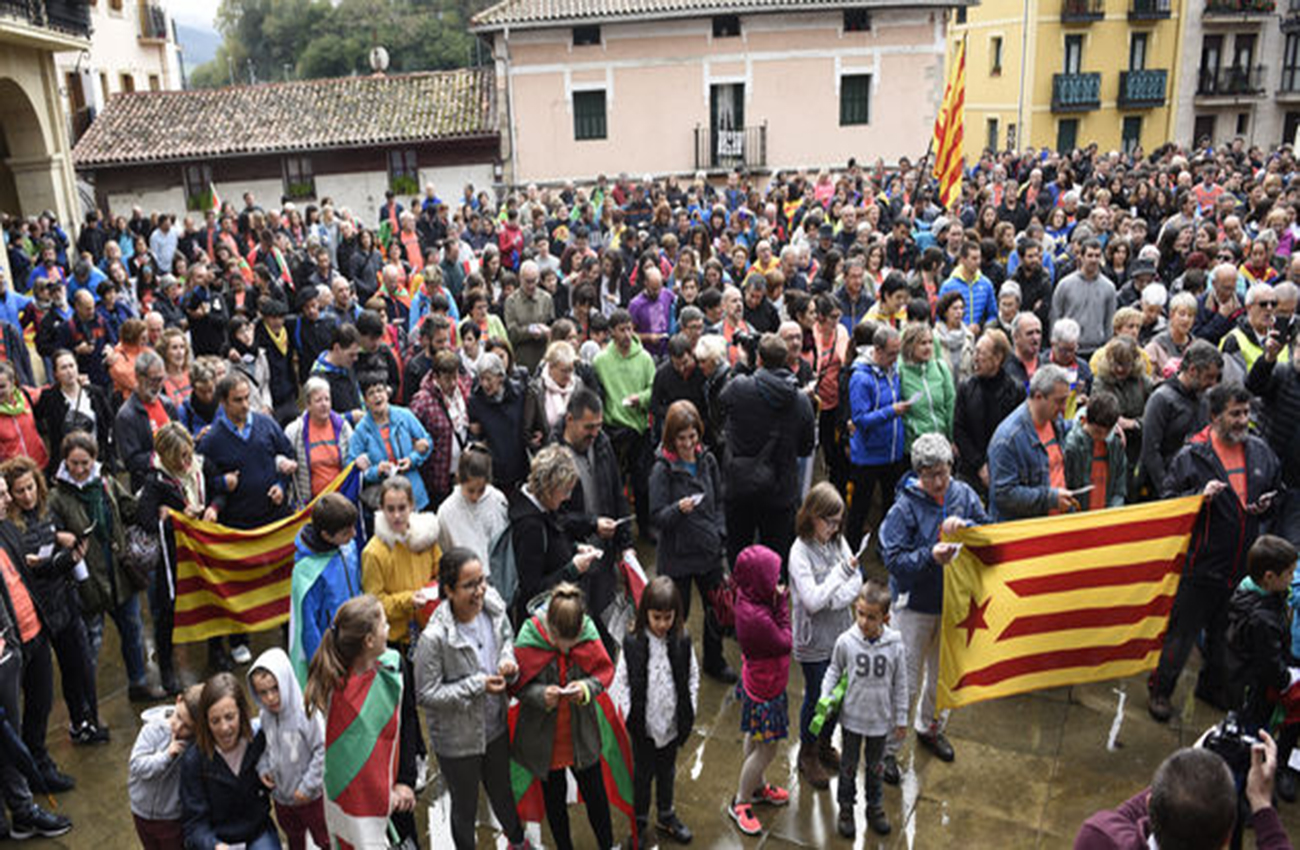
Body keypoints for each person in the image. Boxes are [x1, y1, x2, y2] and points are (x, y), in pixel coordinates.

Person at [1150, 382, 1282, 721]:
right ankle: (1161, 691)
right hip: (1199, 568)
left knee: (1224, 640)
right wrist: (1197, 497)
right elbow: (1167, 505)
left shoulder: (1260, 452)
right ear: (1213, 416)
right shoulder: (1191, 456)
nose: (1243, 420)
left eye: (1246, 412)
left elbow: (1275, 491)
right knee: (1180, 639)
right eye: (1235, 413)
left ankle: (1211, 689)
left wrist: (1268, 504)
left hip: (1239, 570)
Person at [413, 547, 527, 850]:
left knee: (503, 791)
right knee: (464, 807)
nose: (480, 591)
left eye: (482, 580)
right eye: (469, 585)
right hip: (458, 742)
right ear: (448, 590)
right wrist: (476, 685)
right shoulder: (434, 638)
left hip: (496, 728)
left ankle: (518, 841)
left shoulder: (494, 607)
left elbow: (506, 640)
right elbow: (425, 694)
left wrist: (507, 661)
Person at [49, 431, 160, 700]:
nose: (79, 469)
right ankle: (87, 700)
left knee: (132, 632)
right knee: (90, 644)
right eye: (73, 463)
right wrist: (57, 536)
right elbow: (45, 532)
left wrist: (155, 503)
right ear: (65, 462)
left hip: (120, 573)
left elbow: (130, 509)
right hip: (87, 581)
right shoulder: (56, 497)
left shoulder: (106, 482)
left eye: (85, 462)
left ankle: (138, 682)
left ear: (94, 459)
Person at [1, 458, 104, 744]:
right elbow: (31, 568)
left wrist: (64, 544)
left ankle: (86, 721)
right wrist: (65, 560)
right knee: (39, 693)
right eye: (19, 491)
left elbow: (49, 545)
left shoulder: (45, 511)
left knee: (79, 668)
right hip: (40, 612)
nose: (27, 496)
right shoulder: (11, 527)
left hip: (64, 599)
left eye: (30, 487)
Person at [304, 595, 419, 848]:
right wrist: (381, 796)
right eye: (385, 625)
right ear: (369, 640)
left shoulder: (395, 668)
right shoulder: (335, 693)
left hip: (398, 795)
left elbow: (409, 722)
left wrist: (406, 781)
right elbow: (343, 767)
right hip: (360, 806)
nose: (389, 629)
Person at [509, 582, 617, 850]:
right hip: (545, 741)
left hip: (581, 735)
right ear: (549, 628)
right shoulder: (528, 635)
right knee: (554, 801)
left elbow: (604, 673)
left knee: (597, 796)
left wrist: (585, 688)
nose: (568, 649)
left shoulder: (589, 633)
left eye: (574, 643)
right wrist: (540, 694)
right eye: (561, 643)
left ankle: (607, 844)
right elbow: (517, 683)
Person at [1074, 732, 1292, 849]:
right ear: (1227, 838)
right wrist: (1262, 803)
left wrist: (1188, 760)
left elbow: (1121, 817)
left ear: (1150, 805)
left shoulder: (1097, 838)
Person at [647, 399, 733, 682]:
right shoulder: (662, 469)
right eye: (681, 438)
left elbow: (719, 500)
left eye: (692, 436)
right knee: (675, 617)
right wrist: (677, 510)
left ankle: (714, 660)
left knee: (716, 611)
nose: (687, 444)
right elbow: (656, 515)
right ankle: (676, 666)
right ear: (671, 437)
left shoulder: (707, 459)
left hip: (708, 550)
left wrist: (720, 531)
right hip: (677, 556)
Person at [609, 575, 698, 847]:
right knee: (642, 776)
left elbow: (692, 676)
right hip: (642, 726)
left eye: (667, 617)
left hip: (670, 724)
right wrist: (626, 714)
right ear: (645, 612)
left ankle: (666, 814)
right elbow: (620, 679)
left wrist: (689, 708)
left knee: (667, 772)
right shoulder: (633, 643)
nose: (662, 624)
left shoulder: (682, 641)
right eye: (656, 617)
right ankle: (639, 822)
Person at [788, 482, 862, 790]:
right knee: (818, 695)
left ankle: (824, 743)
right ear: (811, 516)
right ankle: (807, 752)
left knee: (839, 694)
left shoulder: (838, 542)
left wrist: (835, 595)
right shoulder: (799, 552)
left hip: (840, 634)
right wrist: (837, 579)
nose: (833, 528)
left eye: (837, 521)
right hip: (813, 640)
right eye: (828, 521)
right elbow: (812, 601)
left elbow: (857, 580)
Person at [720, 332, 816, 567]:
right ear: (785, 361)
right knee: (777, 559)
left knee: (739, 553)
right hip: (781, 492)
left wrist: (741, 366)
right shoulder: (801, 401)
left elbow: (718, 405)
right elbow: (805, 448)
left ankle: (741, 600)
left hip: (741, 488)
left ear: (759, 360)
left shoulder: (740, 387)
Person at [821, 581, 907, 839]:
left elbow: (900, 684)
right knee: (848, 766)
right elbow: (834, 669)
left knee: (875, 767)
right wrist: (825, 696)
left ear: (885, 617)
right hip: (852, 720)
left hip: (880, 722)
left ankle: (875, 807)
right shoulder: (846, 641)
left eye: (871, 617)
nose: (864, 622)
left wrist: (901, 718)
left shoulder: (895, 646)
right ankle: (846, 808)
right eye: (860, 614)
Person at [135, 423, 209, 695]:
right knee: (167, 615)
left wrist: (212, 508)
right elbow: (145, 521)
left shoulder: (198, 469)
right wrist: (175, 520)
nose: (187, 462)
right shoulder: (156, 481)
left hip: (201, 554)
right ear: (165, 456)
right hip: (173, 563)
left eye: (189, 454)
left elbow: (220, 489)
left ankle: (217, 651)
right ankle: (166, 667)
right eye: (181, 457)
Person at [729, 544, 792, 837]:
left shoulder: (749, 597)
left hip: (759, 682)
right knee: (767, 749)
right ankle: (741, 800)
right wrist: (782, 606)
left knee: (754, 738)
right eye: (773, 577)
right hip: (766, 688)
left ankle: (756, 786)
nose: (777, 581)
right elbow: (785, 640)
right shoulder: (757, 617)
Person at [180, 672, 279, 850]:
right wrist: (214, 845)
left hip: (257, 831)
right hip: (216, 838)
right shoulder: (194, 761)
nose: (224, 728)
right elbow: (194, 824)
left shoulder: (258, 741)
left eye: (230, 717)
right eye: (215, 721)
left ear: (242, 713)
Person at [507, 445, 602, 624]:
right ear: (548, 487)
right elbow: (532, 590)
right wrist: (572, 569)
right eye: (565, 491)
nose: (568, 497)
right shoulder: (529, 527)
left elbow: (554, 543)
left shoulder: (543, 505)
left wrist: (575, 548)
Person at [247, 648, 327, 850]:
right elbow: (266, 747)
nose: (270, 698)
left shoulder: (306, 713)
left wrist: (307, 786)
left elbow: (322, 749)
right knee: (293, 836)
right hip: (282, 797)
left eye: (275, 688)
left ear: (287, 682)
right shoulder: (265, 716)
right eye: (263, 693)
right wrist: (264, 768)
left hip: (311, 797)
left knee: (324, 837)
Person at [1225, 535, 1297, 739]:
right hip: (1255, 691)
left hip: (1248, 682)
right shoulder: (1263, 620)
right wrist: (1285, 680)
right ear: (1269, 577)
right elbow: (1269, 662)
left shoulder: (1259, 592)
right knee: (1251, 736)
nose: (1293, 577)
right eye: (1289, 573)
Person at [593, 309, 656, 538]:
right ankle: (617, 532)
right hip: (614, 431)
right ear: (611, 332)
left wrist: (641, 399)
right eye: (622, 330)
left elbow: (653, 389)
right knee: (614, 485)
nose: (627, 334)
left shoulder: (645, 358)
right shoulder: (600, 361)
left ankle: (645, 527)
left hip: (639, 429)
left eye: (630, 328)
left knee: (642, 483)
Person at [846, 325, 910, 550]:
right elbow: (860, 419)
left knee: (891, 507)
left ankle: (888, 549)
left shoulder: (893, 371)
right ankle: (851, 552)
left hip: (892, 452)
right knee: (859, 510)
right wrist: (892, 411)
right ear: (877, 350)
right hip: (868, 456)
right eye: (891, 354)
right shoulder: (861, 378)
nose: (895, 359)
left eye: (897, 353)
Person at [987, 364, 1078, 521]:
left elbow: (1068, 426)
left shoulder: (1054, 420)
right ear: (1038, 397)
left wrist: (1091, 422)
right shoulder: (1007, 439)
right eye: (1059, 401)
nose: (1064, 408)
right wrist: (1050, 498)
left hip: (1057, 522)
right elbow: (1004, 495)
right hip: (1026, 533)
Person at [288, 492, 361, 685]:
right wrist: (321, 664)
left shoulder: (348, 547)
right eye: (346, 532)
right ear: (326, 535)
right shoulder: (307, 571)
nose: (354, 534)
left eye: (353, 527)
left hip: (354, 638)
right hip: (332, 651)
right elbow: (308, 626)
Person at [362, 476, 441, 650]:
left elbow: (440, 572)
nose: (397, 516)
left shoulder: (427, 535)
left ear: (412, 505)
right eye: (390, 509)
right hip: (394, 639)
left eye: (402, 508)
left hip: (429, 629)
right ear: (381, 508)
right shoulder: (373, 552)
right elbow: (374, 603)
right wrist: (408, 600)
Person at [1139, 339, 1223, 495]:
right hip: (1162, 489)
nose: (1212, 384)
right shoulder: (1162, 398)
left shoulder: (1203, 398)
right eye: (1209, 377)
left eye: (1215, 378)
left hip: (1193, 486)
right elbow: (1150, 452)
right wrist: (1166, 492)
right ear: (1192, 370)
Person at [128, 684, 202, 849]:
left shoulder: (193, 748)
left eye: (187, 727)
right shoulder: (152, 730)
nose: (178, 727)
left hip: (171, 818)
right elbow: (136, 765)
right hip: (141, 810)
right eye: (179, 717)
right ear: (178, 700)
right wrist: (166, 756)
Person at [349, 371, 433, 511]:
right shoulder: (361, 430)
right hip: (385, 503)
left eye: (380, 390)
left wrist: (412, 460)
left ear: (387, 394)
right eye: (371, 393)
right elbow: (352, 467)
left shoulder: (404, 415)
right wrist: (376, 471)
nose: (377, 396)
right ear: (365, 400)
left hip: (414, 494)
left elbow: (427, 442)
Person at [953, 329, 1022, 495]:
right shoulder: (966, 387)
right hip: (970, 470)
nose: (975, 358)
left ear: (998, 358)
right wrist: (980, 466)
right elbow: (959, 430)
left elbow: (1018, 434)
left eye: (980, 353)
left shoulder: (1015, 390)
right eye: (974, 351)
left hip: (1005, 469)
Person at [34, 349, 113, 477]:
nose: (69, 371)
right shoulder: (49, 398)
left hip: (96, 461)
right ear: (56, 373)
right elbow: (33, 415)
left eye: (72, 366)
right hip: (66, 466)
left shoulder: (95, 393)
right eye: (63, 368)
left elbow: (108, 423)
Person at [410, 350, 471, 508]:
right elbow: (410, 433)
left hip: (461, 475)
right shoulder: (423, 401)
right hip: (437, 480)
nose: (452, 384)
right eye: (447, 379)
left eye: (455, 377)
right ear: (436, 377)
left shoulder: (463, 391)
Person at [284, 377, 356, 506]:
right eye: (318, 400)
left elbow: (353, 458)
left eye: (327, 399)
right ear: (308, 405)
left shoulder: (343, 427)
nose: (324, 404)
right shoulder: (294, 431)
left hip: (341, 501)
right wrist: (283, 463)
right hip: (310, 505)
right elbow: (280, 456)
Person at [436, 446, 510, 568]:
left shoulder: (497, 499)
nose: (475, 497)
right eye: (470, 491)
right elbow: (445, 549)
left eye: (481, 490)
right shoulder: (446, 511)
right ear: (460, 480)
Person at [468, 352, 533, 494]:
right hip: (495, 472)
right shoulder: (475, 401)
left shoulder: (518, 393)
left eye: (489, 379)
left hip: (519, 468)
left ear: (500, 377)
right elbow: (473, 434)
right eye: (481, 379)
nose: (485, 384)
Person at [1063, 392, 1128, 511]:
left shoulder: (1115, 444)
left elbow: (1119, 488)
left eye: (1107, 432)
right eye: (1097, 431)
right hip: (1080, 516)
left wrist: (1113, 511)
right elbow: (1065, 487)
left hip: (1106, 515)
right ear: (1085, 420)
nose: (1102, 436)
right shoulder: (1072, 446)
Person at [898, 322, 955, 450]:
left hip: (942, 443)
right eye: (923, 343)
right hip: (915, 446)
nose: (928, 347)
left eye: (930, 342)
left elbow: (950, 405)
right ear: (910, 346)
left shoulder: (941, 367)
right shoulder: (900, 372)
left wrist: (952, 438)